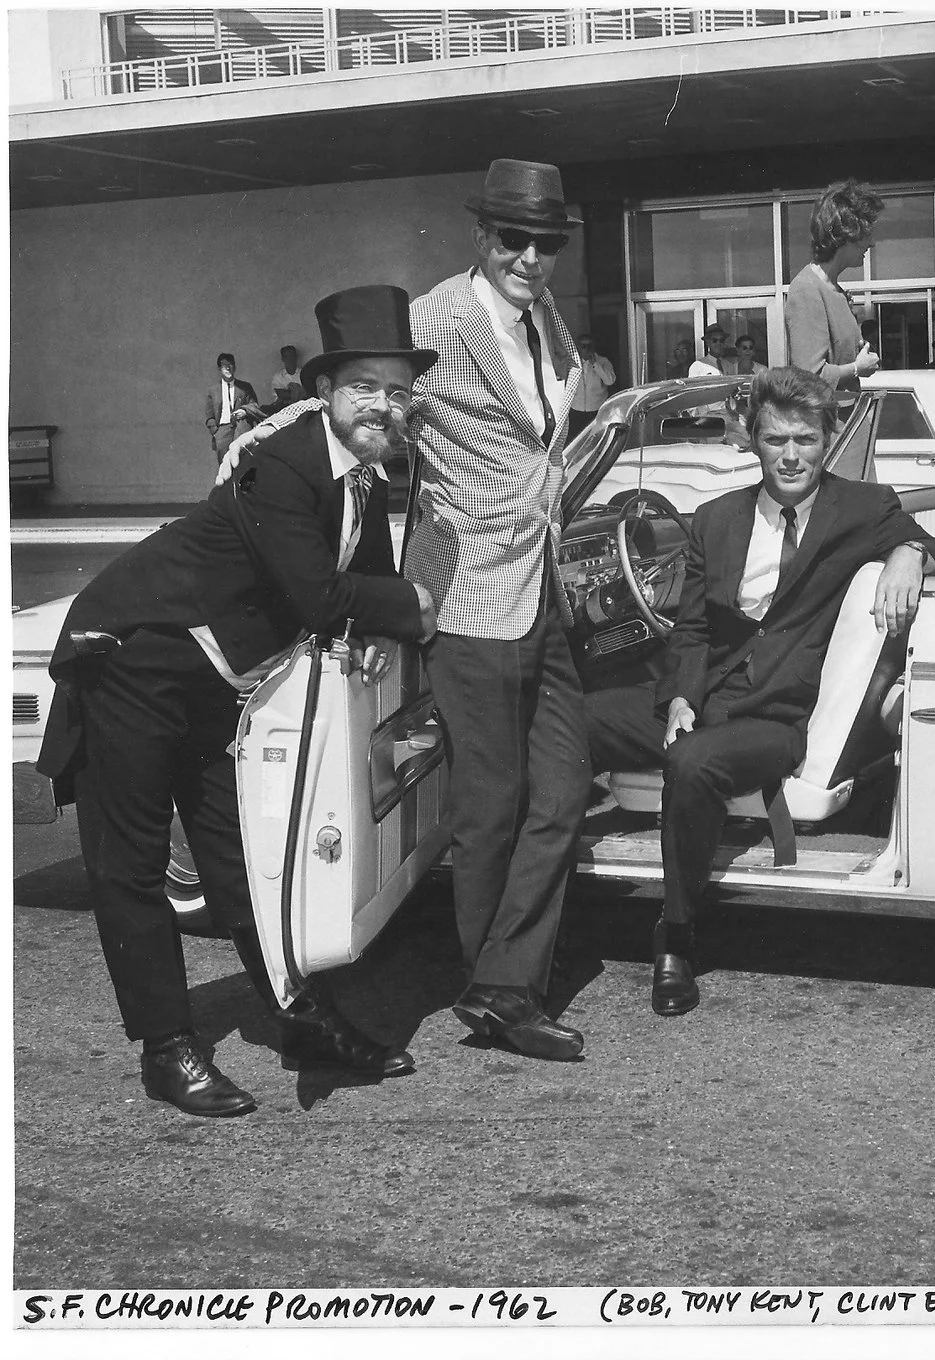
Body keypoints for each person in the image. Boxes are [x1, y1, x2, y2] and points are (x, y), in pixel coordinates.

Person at [35, 285, 440, 1118]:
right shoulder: (283, 462)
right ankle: (165, 1047)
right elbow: (327, 598)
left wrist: (390, 600)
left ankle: (298, 1018)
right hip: (131, 658)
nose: (383, 406)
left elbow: (364, 584)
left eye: (399, 392)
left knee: (243, 865)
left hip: (211, 680)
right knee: (133, 867)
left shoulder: (362, 476)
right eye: (365, 386)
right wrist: (416, 608)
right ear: (324, 390)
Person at [221, 160, 591, 1064]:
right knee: (493, 802)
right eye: (514, 239)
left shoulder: (542, 315)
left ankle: (506, 966)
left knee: (567, 786)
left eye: (547, 243)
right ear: (481, 237)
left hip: (538, 578)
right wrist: (252, 450)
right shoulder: (437, 319)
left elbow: (550, 418)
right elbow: (341, 398)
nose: (532, 257)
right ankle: (499, 988)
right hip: (463, 592)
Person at [584, 367, 935, 1016]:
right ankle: (553, 901)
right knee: (570, 720)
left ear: (826, 440)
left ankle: (675, 931)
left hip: (777, 719)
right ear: (751, 441)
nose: (791, 456)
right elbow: (693, 628)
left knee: (691, 763)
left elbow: (932, 546)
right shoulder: (714, 518)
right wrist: (678, 699)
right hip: (704, 701)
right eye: (775, 439)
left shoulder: (862, 509)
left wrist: (909, 556)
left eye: (806, 440)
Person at [785, 180, 884, 394]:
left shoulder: (835, 291)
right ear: (847, 233)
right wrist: (858, 368)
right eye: (867, 233)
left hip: (847, 421)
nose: (872, 243)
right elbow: (809, 378)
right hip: (831, 425)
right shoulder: (807, 289)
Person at [204, 353, 261, 462]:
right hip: (222, 431)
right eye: (224, 365)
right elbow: (209, 415)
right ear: (219, 368)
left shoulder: (245, 387)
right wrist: (216, 432)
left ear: (235, 367)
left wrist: (245, 411)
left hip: (242, 427)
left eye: (230, 364)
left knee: (244, 460)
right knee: (225, 464)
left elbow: (254, 405)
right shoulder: (213, 390)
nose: (228, 368)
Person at [569, 330, 617, 441]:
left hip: (596, 408)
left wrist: (596, 365)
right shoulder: (571, 362)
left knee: (595, 439)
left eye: (588, 346)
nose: (586, 349)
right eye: (583, 346)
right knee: (577, 441)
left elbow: (610, 381)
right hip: (577, 409)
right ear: (578, 347)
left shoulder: (603, 361)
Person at [269, 344, 305, 409]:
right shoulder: (278, 377)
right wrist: (299, 392)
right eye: (286, 357)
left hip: (303, 407)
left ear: (296, 357)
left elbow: (308, 393)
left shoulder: (304, 373)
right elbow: (280, 394)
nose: (290, 359)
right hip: (284, 409)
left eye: (292, 356)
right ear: (283, 359)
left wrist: (289, 394)